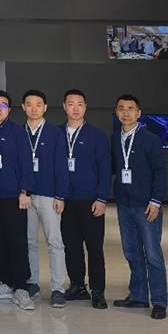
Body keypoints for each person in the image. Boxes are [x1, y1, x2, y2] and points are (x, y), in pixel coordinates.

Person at [112, 94, 168, 320]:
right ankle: (138, 295)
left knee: (153, 255)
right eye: (121, 109)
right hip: (124, 205)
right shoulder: (115, 138)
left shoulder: (150, 139)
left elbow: (160, 171)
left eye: (130, 109)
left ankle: (159, 302)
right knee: (131, 252)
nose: (126, 113)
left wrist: (156, 201)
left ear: (139, 113)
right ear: (116, 112)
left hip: (146, 206)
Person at [0, 90, 36, 310]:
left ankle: (21, 287)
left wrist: (26, 191)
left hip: (13, 196)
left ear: (9, 110)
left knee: (17, 241)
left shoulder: (17, 132)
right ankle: (5, 281)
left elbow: (26, 163)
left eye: (3, 105)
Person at [59, 89, 111, 309]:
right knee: (71, 246)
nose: (75, 108)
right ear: (64, 106)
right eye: (71, 104)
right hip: (65, 201)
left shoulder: (96, 135)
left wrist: (102, 198)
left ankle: (98, 290)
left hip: (91, 200)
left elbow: (105, 170)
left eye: (80, 104)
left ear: (85, 107)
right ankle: (77, 285)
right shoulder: (57, 133)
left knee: (95, 247)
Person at [21, 89, 69, 308]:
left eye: (38, 104)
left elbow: (61, 166)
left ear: (45, 107)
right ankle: (33, 282)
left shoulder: (54, 133)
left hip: (50, 196)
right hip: (26, 196)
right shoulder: (19, 132)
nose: (34, 108)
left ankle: (58, 288)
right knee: (29, 241)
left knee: (54, 242)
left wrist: (60, 195)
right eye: (29, 104)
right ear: (23, 107)